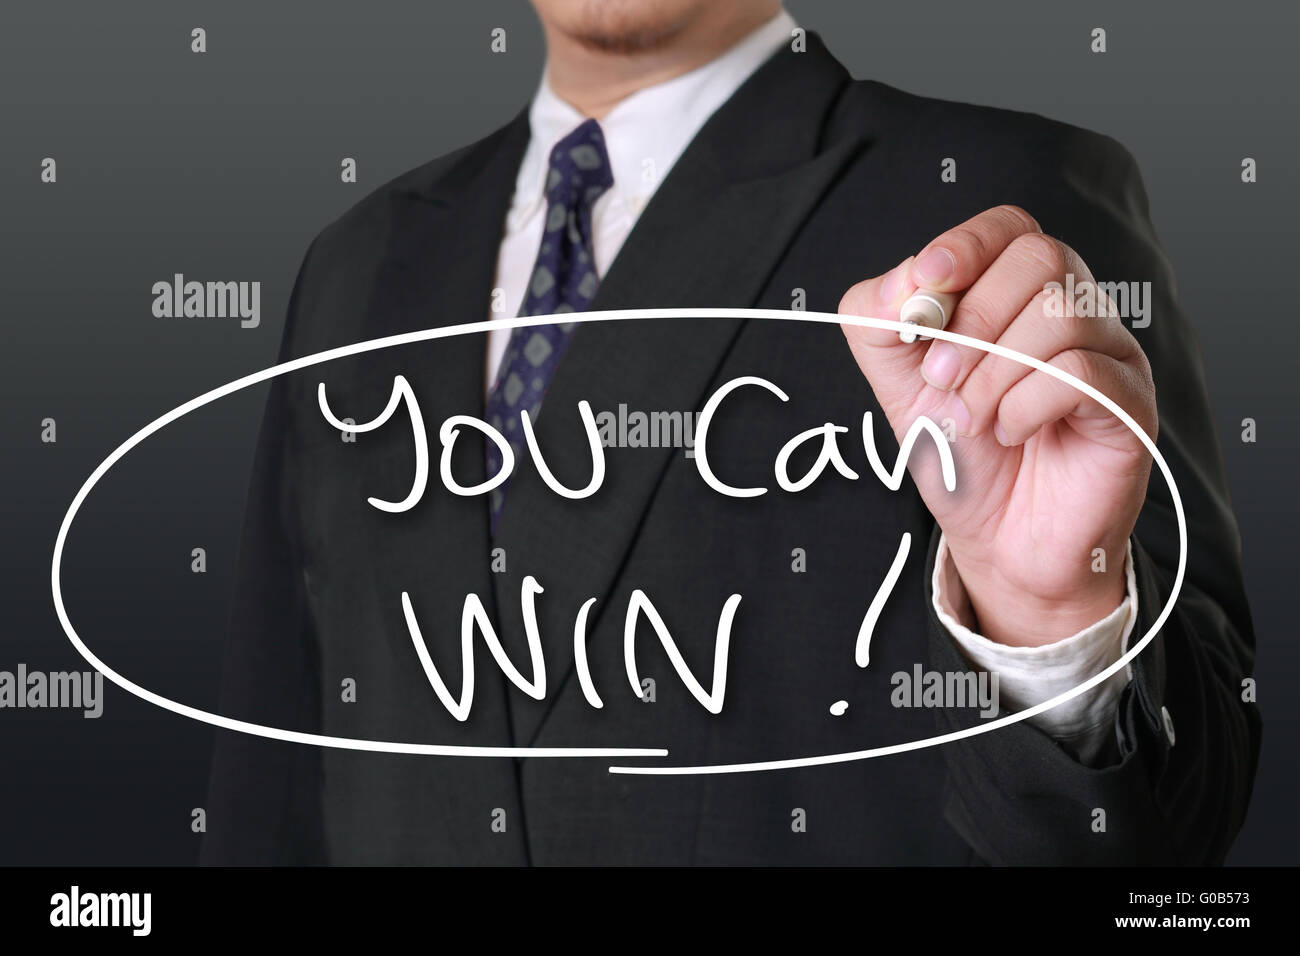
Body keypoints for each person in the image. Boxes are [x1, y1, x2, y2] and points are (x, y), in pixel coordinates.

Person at [201, 1, 1259, 865]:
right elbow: (272, 786)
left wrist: (1047, 618)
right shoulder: (354, 265)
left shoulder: (1000, 196)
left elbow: (1182, 821)